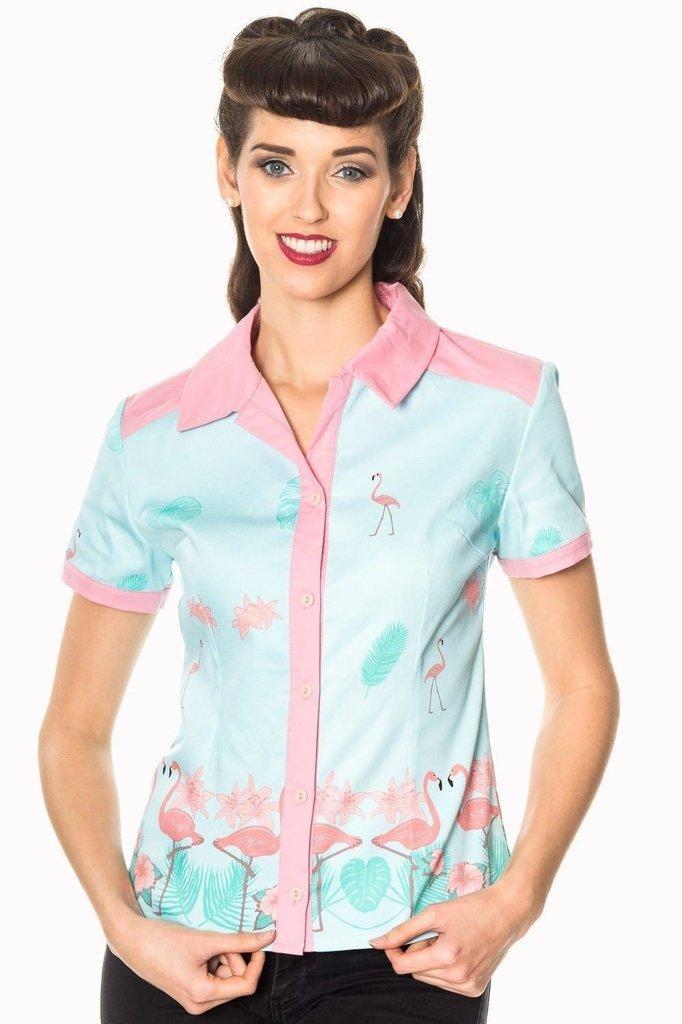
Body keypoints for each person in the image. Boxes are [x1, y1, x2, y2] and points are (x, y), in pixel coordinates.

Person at [38, 7, 619, 1022]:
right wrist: (125, 925)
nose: (306, 205)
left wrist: (514, 900)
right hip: (185, 949)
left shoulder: (504, 409)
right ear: (227, 171)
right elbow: (75, 727)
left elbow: (581, 686)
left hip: (407, 955)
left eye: (348, 169)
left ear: (399, 184)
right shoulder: (153, 433)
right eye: (275, 164)